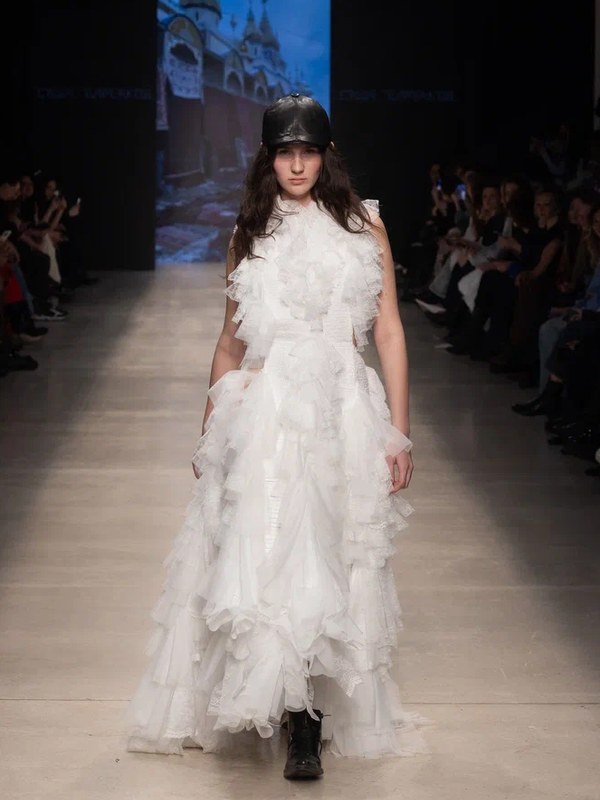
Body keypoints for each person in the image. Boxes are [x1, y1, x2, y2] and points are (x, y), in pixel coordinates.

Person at [125, 93, 428, 780]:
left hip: (343, 408)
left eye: (308, 151)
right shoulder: (249, 230)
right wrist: (210, 431)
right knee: (271, 555)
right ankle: (298, 723)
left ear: (327, 155)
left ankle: (310, 712)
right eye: (285, 152)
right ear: (268, 157)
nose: (296, 164)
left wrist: (399, 432)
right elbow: (230, 342)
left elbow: (388, 331)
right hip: (267, 410)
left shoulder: (365, 225)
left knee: (336, 553)